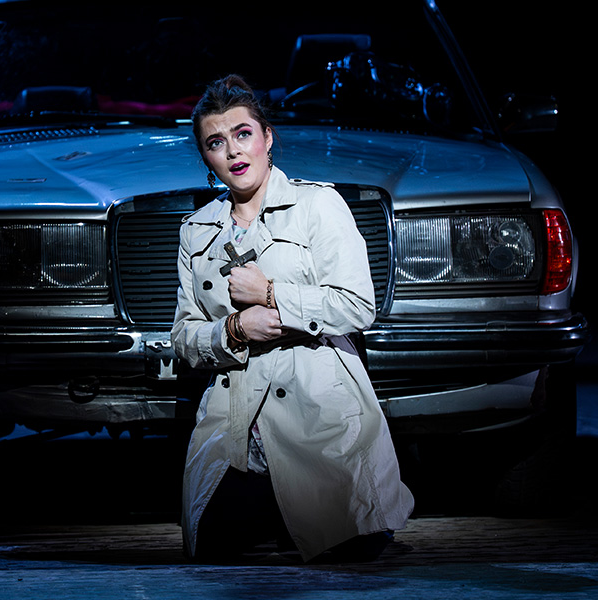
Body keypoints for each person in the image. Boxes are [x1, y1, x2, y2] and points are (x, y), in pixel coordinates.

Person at [171, 75, 415, 563]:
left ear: (267, 136)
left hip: (318, 414)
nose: (233, 152)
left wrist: (273, 295)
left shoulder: (317, 206)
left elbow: (358, 305)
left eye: (243, 134)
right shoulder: (195, 231)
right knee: (212, 550)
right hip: (235, 428)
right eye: (216, 142)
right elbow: (183, 336)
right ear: (205, 157)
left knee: (344, 547)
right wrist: (235, 330)